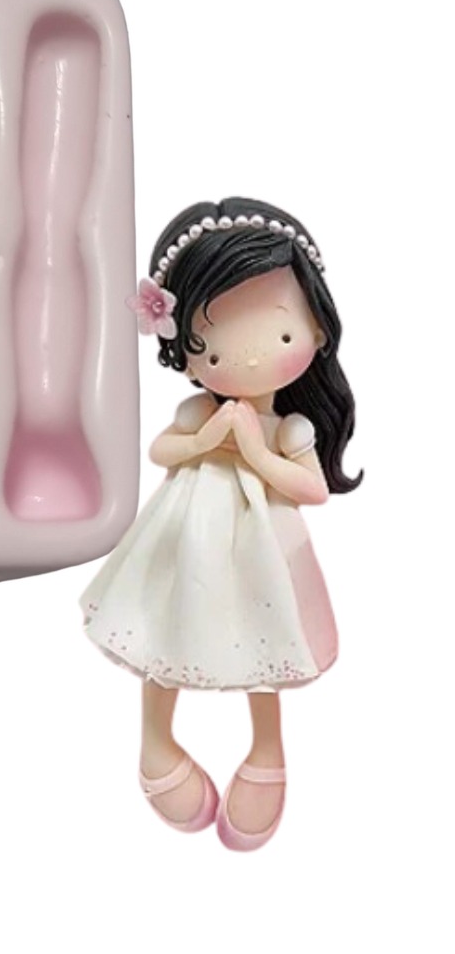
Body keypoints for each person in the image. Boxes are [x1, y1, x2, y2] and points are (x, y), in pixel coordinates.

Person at [80, 197, 361, 850]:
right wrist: (208, 438)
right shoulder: (197, 413)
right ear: (181, 346)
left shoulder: (290, 428)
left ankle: (267, 748)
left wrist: (257, 452)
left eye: (281, 336)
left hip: (263, 550)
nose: (250, 361)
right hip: (185, 542)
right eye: (208, 346)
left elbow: (312, 489)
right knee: (165, 630)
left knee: (265, 638)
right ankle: (156, 739)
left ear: (318, 332)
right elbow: (164, 452)